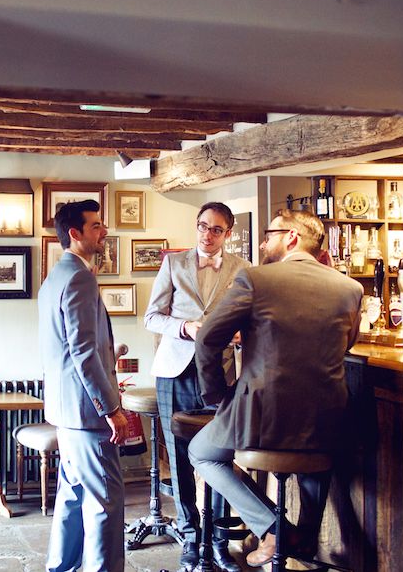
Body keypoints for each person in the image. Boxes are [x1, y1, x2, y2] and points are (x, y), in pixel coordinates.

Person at [188, 209, 363, 567]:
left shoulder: (256, 279)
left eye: (270, 234)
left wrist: (217, 396)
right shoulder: (351, 287)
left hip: (262, 415)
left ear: (292, 238)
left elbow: (207, 338)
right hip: (329, 418)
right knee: (316, 458)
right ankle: (305, 538)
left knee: (202, 453)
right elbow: (347, 345)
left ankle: (273, 529)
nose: (264, 242)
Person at [144, 201, 251, 570]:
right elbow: (152, 317)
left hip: (221, 375)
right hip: (175, 370)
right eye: (203, 226)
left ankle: (218, 540)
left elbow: (249, 322)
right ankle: (191, 536)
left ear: (228, 234)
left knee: (217, 457)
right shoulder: (173, 264)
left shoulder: (243, 270)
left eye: (216, 229)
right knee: (180, 457)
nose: (207, 234)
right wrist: (184, 328)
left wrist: (238, 336)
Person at [39, 199, 129, 572]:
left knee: (73, 497)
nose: (103, 231)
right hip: (86, 412)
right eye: (96, 226)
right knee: (105, 504)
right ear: (75, 234)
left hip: (65, 410)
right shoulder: (78, 276)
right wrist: (112, 408)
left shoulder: (55, 276)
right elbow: (83, 351)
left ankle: (61, 567)